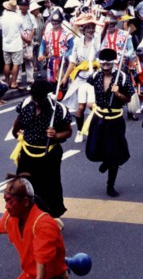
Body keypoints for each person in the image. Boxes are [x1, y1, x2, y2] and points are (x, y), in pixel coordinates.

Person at [11, 80, 72, 222]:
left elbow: (68, 131)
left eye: (40, 99)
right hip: (27, 152)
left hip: (49, 153)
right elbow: (17, 124)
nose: (37, 102)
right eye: (35, 99)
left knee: (49, 185)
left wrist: (56, 135)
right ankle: (26, 215)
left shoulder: (58, 109)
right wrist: (17, 133)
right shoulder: (26, 105)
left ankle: (49, 217)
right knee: (24, 184)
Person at [83, 48, 135, 197]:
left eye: (108, 61)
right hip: (99, 118)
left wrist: (118, 93)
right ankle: (106, 162)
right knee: (93, 150)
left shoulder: (122, 77)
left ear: (114, 62)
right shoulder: (94, 76)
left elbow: (128, 99)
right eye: (103, 61)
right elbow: (87, 87)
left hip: (115, 120)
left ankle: (110, 185)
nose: (105, 64)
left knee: (114, 154)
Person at [61, 13, 101, 143]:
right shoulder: (77, 42)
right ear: (82, 29)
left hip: (94, 77)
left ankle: (93, 131)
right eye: (87, 27)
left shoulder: (97, 40)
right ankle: (79, 131)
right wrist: (65, 77)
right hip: (80, 77)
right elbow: (73, 61)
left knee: (92, 106)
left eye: (92, 27)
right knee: (80, 107)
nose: (91, 30)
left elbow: (100, 54)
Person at [38, 10, 73, 83]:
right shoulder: (47, 34)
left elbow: (72, 47)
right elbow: (42, 45)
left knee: (62, 83)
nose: (54, 22)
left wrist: (66, 55)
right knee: (51, 82)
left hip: (63, 62)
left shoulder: (67, 34)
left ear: (61, 21)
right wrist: (41, 53)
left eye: (57, 21)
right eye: (53, 21)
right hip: (51, 61)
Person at [0, 0, 25, 88]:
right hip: (16, 44)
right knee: (16, 64)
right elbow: (23, 27)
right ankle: (14, 82)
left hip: (6, 44)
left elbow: (0, 28)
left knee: (7, 63)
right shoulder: (19, 18)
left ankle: (7, 81)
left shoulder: (3, 18)